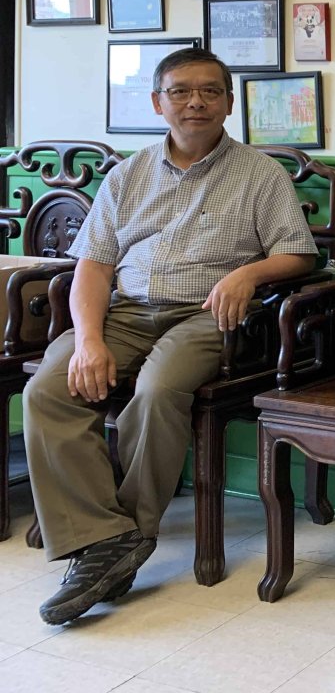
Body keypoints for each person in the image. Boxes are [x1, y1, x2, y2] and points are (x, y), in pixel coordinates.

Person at [22, 47, 319, 627]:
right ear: (159, 102)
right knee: (48, 392)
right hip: (125, 312)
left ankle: (126, 534)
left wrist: (248, 273)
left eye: (210, 91)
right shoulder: (127, 174)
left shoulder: (260, 173)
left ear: (229, 104)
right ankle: (106, 540)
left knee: (158, 390)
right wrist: (88, 340)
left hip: (207, 316)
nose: (196, 102)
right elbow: (94, 267)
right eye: (181, 91)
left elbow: (299, 254)